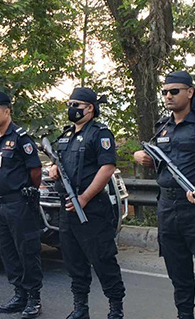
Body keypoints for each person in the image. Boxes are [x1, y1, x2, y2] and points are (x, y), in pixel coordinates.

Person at [133, 71, 195, 319]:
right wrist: (140, 157)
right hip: (167, 205)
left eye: (174, 91)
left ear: (190, 92)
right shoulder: (162, 127)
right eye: (164, 92)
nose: (168, 96)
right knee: (178, 275)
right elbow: (156, 161)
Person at [47, 87, 125, 319]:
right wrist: (53, 168)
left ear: (89, 108)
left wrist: (84, 198)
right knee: (73, 260)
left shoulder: (99, 133)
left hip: (91, 208)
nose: (71, 109)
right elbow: (57, 160)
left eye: (76, 105)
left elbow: (107, 167)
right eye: (70, 104)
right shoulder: (67, 135)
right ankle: (81, 308)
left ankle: (115, 309)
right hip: (67, 208)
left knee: (102, 259)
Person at [0, 91, 43, 318]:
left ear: (7, 111)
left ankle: (34, 298)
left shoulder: (21, 138)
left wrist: (30, 190)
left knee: (27, 250)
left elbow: (35, 170)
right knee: (8, 252)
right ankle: (19, 294)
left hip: (19, 203)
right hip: (0, 204)